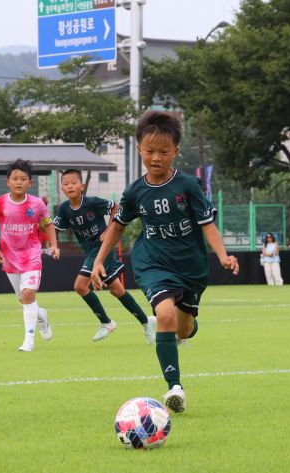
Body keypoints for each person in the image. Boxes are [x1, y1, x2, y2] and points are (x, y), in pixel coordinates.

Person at [91, 110, 239, 413]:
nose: (156, 157)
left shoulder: (188, 186)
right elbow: (117, 227)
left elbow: (207, 225)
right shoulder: (135, 191)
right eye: (149, 151)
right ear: (139, 149)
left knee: (182, 329)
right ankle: (175, 388)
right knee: (165, 315)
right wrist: (98, 261)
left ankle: (187, 328)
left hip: (191, 267)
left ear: (175, 151)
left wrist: (223, 256)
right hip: (153, 263)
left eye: (163, 151)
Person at [53, 169, 156, 343]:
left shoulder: (92, 202)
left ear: (82, 186)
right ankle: (146, 322)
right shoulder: (64, 209)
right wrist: (51, 242)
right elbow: (54, 227)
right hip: (90, 251)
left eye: (73, 183)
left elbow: (116, 207)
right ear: (62, 188)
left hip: (102, 249)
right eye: (66, 184)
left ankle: (106, 322)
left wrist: (109, 230)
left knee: (80, 286)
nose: (70, 186)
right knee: (117, 290)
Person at [0, 159, 60, 352]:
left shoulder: (37, 204)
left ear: (30, 183)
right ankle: (41, 315)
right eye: (15, 178)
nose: (19, 182)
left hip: (31, 256)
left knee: (28, 294)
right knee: (24, 299)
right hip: (10, 259)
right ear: (7, 181)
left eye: (23, 179)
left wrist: (54, 245)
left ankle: (29, 341)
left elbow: (48, 224)